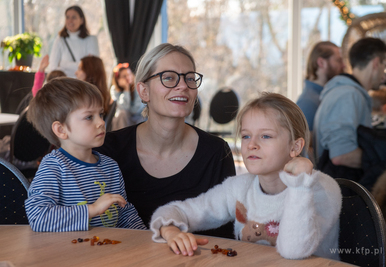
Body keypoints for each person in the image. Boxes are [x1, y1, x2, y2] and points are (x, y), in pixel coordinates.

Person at [150, 92, 342, 260]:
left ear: (295, 147)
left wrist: (300, 185)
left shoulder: (322, 189)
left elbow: (294, 252)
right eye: (246, 136)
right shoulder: (239, 187)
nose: (251, 145)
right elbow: (177, 211)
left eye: (265, 136)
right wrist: (170, 230)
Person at [95, 43, 236, 239]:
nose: (183, 86)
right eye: (168, 77)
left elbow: (226, 237)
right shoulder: (109, 149)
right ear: (144, 91)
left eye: (189, 78)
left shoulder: (216, 152)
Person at [24, 78, 146, 232]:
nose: (101, 122)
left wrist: (146, 238)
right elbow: (38, 217)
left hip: (108, 250)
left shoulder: (110, 167)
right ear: (61, 130)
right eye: (89, 117)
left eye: (101, 114)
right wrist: (93, 209)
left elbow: (124, 213)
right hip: (69, 253)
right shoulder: (54, 167)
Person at [314, 37, 386, 173]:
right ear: (376, 63)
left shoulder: (348, 93)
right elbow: (341, 155)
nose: (384, 77)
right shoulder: (348, 95)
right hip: (340, 190)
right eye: (385, 67)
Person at [296, 41, 344, 132]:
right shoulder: (307, 102)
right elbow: (304, 144)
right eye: (338, 60)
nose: (343, 65)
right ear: (321, 63)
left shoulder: (324, 95)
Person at [48, 5, 99, 78]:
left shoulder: (91, 40)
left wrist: (63, 64)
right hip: (65, 85)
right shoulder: (59, 40)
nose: (70, 21)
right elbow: (53, 68)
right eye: (67, 17)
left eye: (74, 17)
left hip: (83, 85)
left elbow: (91, 68)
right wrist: (78, 66)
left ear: (81, 20)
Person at [110, 63, 145, 130]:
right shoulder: (114, 89)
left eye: (129, 74)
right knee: (122, 114)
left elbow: (136, 110)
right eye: (124, 76)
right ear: (118, 79)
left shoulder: (138, 86)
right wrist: (126, 90)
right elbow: (123, 108)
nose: (128, 77)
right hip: (124, 121)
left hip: (138, 118)